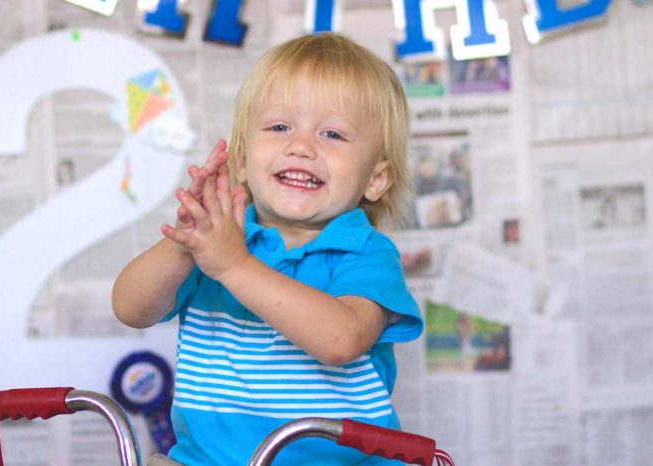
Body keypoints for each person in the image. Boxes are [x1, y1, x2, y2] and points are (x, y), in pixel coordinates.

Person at [112, 33, 423, 465]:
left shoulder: (365, 252)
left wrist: (234, 265)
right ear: (240, 160)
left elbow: (340, 340)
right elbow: (131, 308)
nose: (301, 145)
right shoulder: (220, 241)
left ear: (376, 179)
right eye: (279, 127)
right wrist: (184, 245)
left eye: (332, 133)